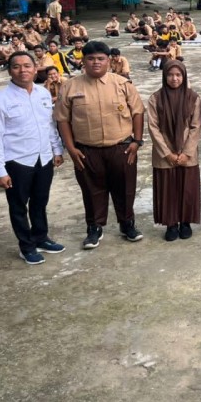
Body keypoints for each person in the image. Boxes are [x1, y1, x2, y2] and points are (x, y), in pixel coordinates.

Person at [54, 41, 146, 249]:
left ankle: (127, 223)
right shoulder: (70, 86)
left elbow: (138, 112)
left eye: (100, 58)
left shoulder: (122, 83)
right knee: (91, 189)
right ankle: (94, 227)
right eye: (91, 58)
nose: (96, 62)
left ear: (108, 60)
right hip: (86, 149)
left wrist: (137, 141)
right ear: (83, 61)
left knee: (125, 188)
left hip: (121, 147)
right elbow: (62, 120)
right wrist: (70, 148)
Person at [0, 52, 65, 264]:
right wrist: (0, 171)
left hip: (43, 158)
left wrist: (57, 150)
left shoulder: (42, 93)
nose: (23, 70)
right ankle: (26, 246)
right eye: (16, 66)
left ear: (35, 68)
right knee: (19, 206)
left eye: (27, 65)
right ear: (9, 70)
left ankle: (41, 237)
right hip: (17, 162)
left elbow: (49, 125)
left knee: (40, 201)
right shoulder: (0, 100)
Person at [147, 61, 201, 241]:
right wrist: (167, 153)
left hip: (188, 151)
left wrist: (186, 152)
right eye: (170, 75)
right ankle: (171, 224)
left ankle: (185, 222)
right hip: (165, 152)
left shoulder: (193, 98)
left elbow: (196, 127)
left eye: (178, 75)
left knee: (187, 188)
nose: (174, 78)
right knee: (168, 188)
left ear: (184, 76)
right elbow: (153, 128)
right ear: (164, 76)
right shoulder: (156, 98)